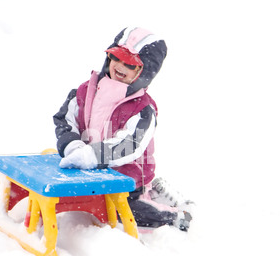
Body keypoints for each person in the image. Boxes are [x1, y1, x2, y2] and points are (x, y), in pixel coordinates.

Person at [54, 27, 193, 231]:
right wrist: (73, 146)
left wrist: (92, 155)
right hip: (89, 170)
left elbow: (131, 143)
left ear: (143, 72)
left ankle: (175, 216)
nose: (120, 66)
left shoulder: (143, 109)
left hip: (128, 176)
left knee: (119, 210)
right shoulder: (86, 90)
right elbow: (64, 119)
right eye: (116, 58)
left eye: (130, 64)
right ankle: (153, 191)